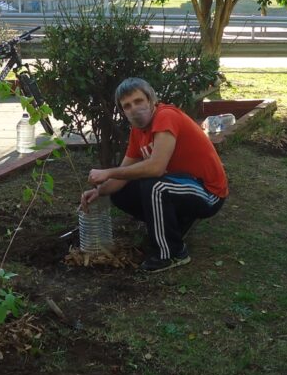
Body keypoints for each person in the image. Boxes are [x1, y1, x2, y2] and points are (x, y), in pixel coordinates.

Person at [80, 77, 228, 273]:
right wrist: (99, 191)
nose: (134, 108)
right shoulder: (138, 131)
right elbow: (121, 176)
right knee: (120, 191)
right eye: (127, 106)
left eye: (138, 101)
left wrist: (107, 172)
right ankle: (175, 225)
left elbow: (156, 167)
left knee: (155, 185)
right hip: (181, 186)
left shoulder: (166, 116)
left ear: (151, 100)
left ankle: (172, 253)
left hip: (209, 192)